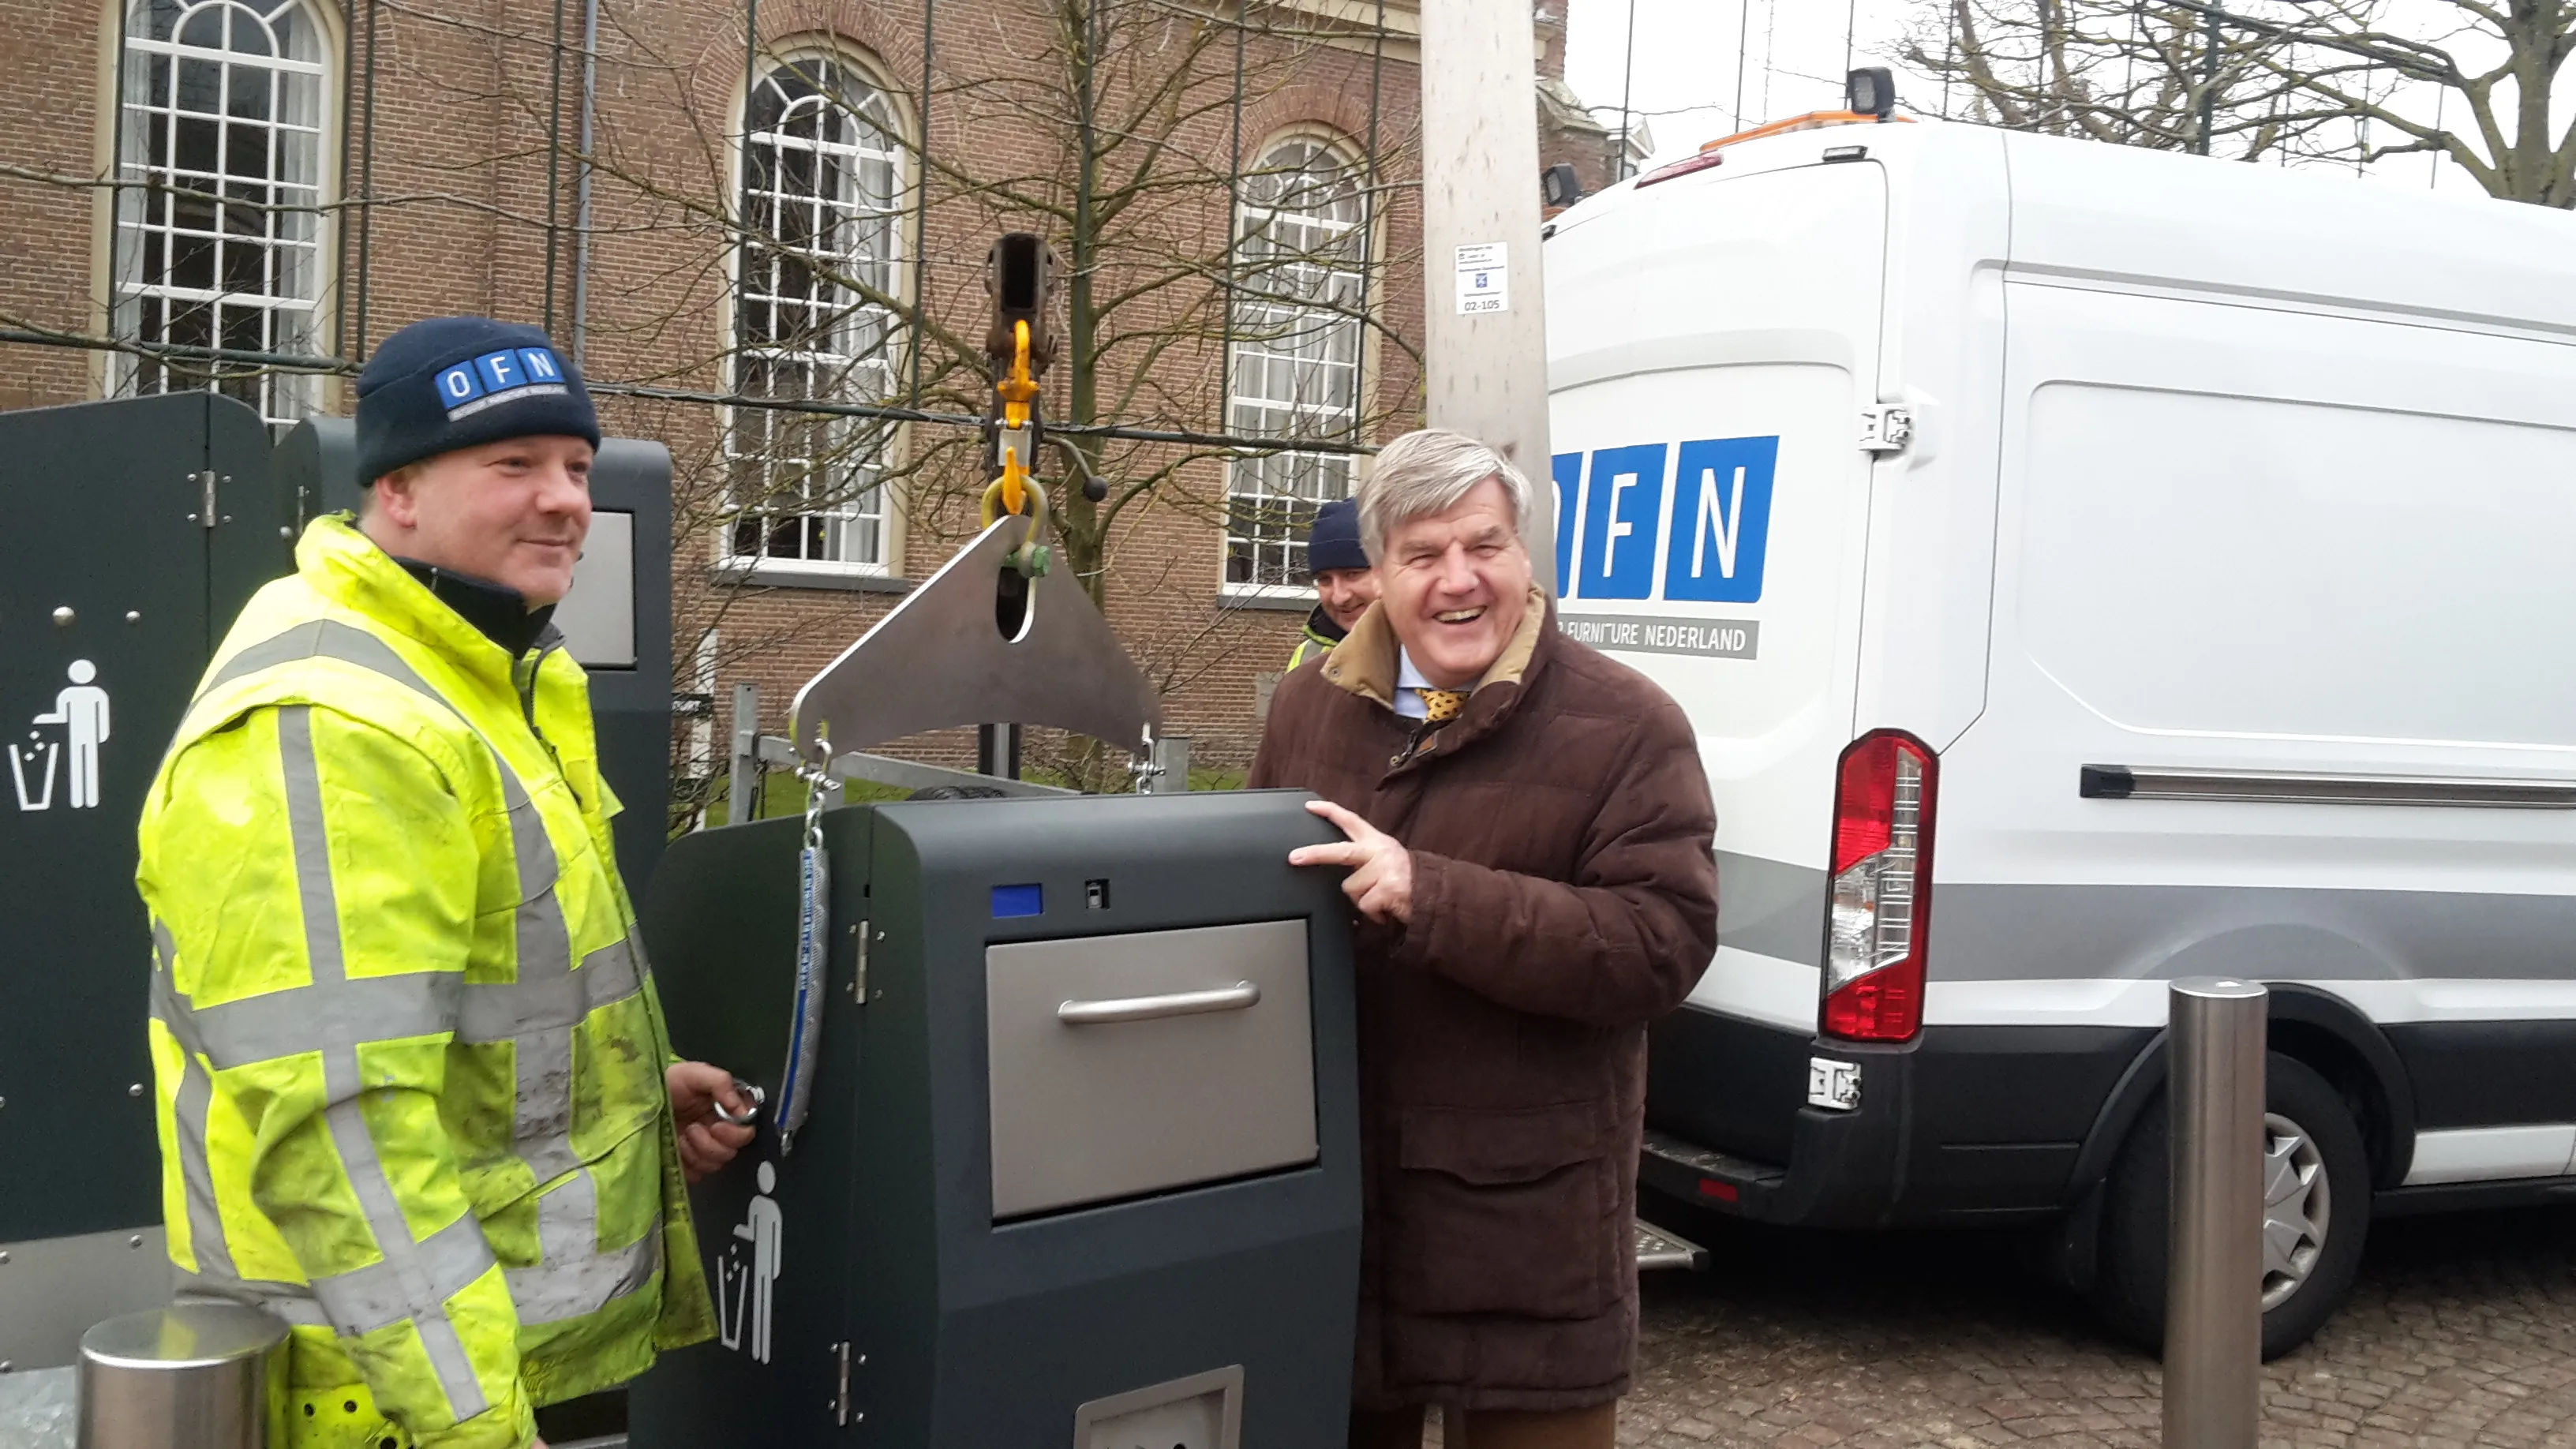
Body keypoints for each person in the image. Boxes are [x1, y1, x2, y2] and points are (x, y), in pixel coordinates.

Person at [137, 316, 758, 1449]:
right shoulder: (334, 725)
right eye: (512, 464)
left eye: (575, 464)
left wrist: (627, 1092)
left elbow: (474, 999)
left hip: (505, 1363)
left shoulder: (486, 674)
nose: (565, 498)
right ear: (400, 490)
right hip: (401, 1399)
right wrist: (476, 1429)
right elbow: (344, 1138)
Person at [1250, 429, 1719, 1449]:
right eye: (1424, 555)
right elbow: (1258, 907)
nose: (1459, 582)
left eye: (1486, 546)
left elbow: (1661, 944)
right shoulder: (1307, 705)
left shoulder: (1628, 726)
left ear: (1523, 556)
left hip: (1521, 1232)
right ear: (1377, 573)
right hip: (1339, 1217)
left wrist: (1433, 896)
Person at [1286, 497, 1380, 671]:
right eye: (1324, 579)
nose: (1339, 597)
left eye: (1352, 574)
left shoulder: (1433, 651)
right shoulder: (1308, 656)